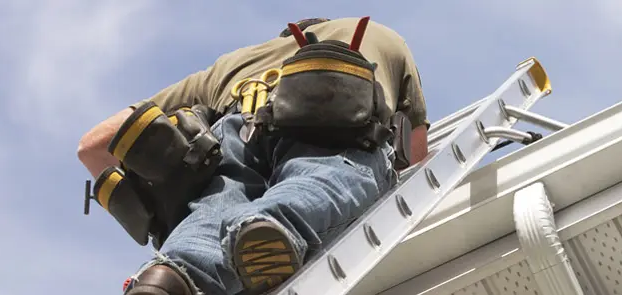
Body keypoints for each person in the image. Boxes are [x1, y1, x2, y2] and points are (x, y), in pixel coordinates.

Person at [77, 17, 430, 295]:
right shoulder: (381, 36)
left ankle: (168, 277)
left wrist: (144, 204)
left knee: (215, 209)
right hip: (334, 109)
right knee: (326, 175)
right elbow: (416, 156)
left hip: (235, 128)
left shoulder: (230, 64)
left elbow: (94, 144)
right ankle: (272, 227)